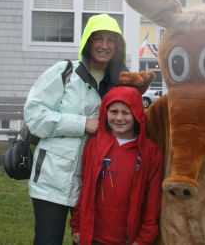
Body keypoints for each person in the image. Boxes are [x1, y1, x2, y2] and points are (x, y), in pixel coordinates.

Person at [24, 13, 129, 245]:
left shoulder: (122, 82)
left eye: (111, 40)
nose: (104, 45)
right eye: (97, 39)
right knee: (48, 240)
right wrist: (83, 124)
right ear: (87, 42)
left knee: (88, 240)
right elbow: (35, 115)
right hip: (53, 178)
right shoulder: (65, 72)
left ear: (118, 45)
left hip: (96, 181)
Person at [70, 86, 163, 245]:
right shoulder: (94, 145)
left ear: (137, 114)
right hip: (93, 236)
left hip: (129, 238)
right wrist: (77, 225)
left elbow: (152, 201)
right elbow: (85, 187)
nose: (119, 118)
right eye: (114, 111)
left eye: (126, 112)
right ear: (105, 113)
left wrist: (145, 237)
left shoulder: (151, 153)